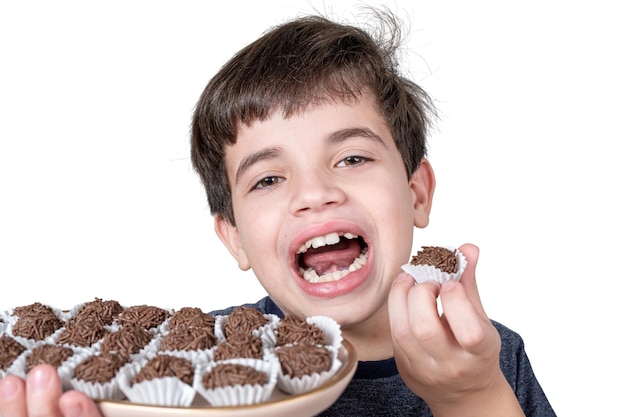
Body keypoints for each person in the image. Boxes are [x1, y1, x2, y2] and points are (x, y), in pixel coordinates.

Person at [0, 8, 556, 417]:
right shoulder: (196, 366)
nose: (314, 193)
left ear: (417, 193)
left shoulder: (492, 358)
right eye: (268, 178)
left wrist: (473, 396)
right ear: (234, 236)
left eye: (352, 157)